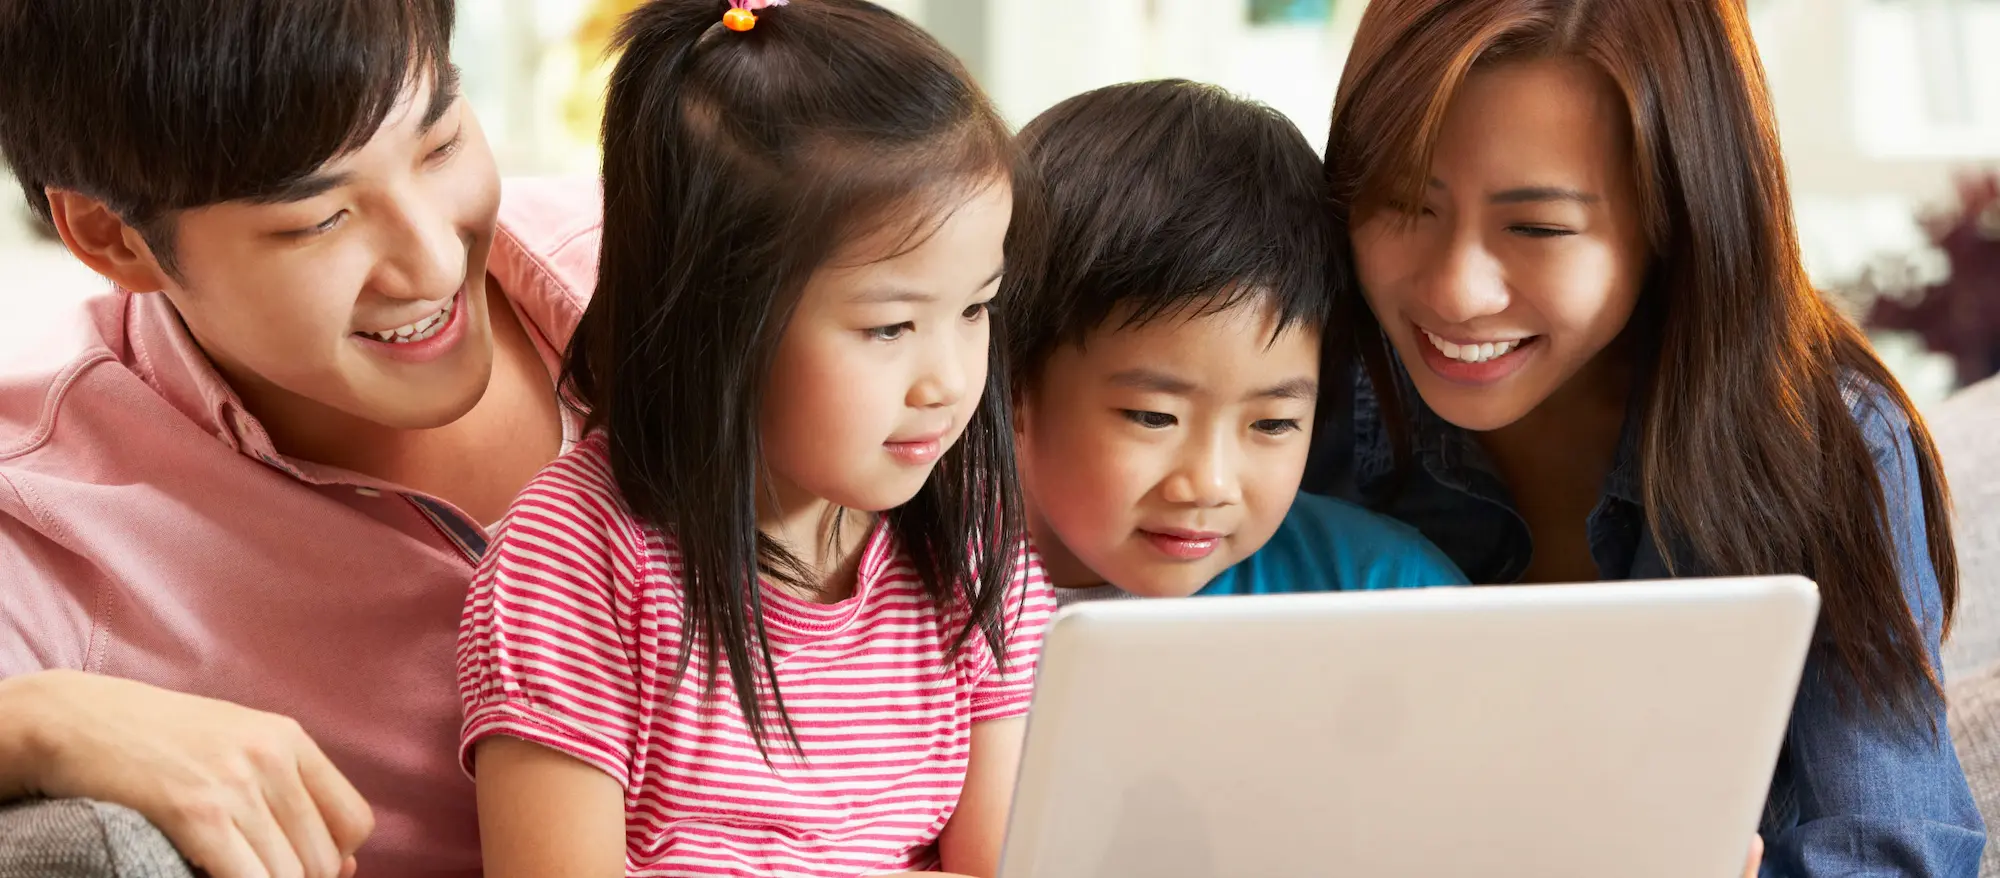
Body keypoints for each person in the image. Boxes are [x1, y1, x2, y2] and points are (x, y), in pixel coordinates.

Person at [1307, 0, 1984, 873]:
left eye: (1538, 228)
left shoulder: (1830, 444)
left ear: (1676, 219)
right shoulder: (1285, 398)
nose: (1455, 292)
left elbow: (1892, 850)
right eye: (1403, 205)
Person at [453, 2, 1054, 876]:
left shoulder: (973, 530)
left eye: (974, 309)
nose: (950, 381)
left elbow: (1005, 859)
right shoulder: (576, 558)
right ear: (718, 322)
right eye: (889, 328)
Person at [0, 1, 601, 875]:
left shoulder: (680, 267)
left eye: (439, 146)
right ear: (111, 236)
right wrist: (37, 722)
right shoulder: (54, 513)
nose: (432, 261)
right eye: (318, 220)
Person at [1003, 79, 1463, 605]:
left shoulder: (1390, 594)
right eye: (1154, 417)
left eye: (1273, 423)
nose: (1211, 484)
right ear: (1012, 381)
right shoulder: (901, 602)